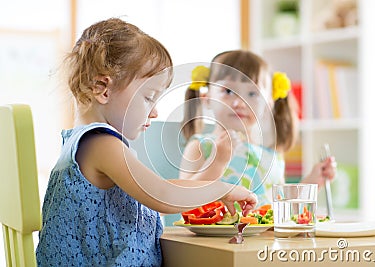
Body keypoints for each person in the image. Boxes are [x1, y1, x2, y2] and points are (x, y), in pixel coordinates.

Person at [35, 19, 257, 266]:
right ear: (103, 89)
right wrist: (222, 188)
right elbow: (161, 195)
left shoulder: (86, 142)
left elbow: (159, 187)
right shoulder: (100, 143)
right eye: (149, 98)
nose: (155, 112)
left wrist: (212, 187)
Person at [180, 50, 336, 205]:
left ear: (269, 103)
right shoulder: (201, 146)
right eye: (228, 91)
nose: (240, 102)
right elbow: (183, 198)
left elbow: (282, 204)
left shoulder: (270, 155)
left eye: (252, 94)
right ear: (206, 98)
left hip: (264, 231)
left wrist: (314, 181)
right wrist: (217, 162)